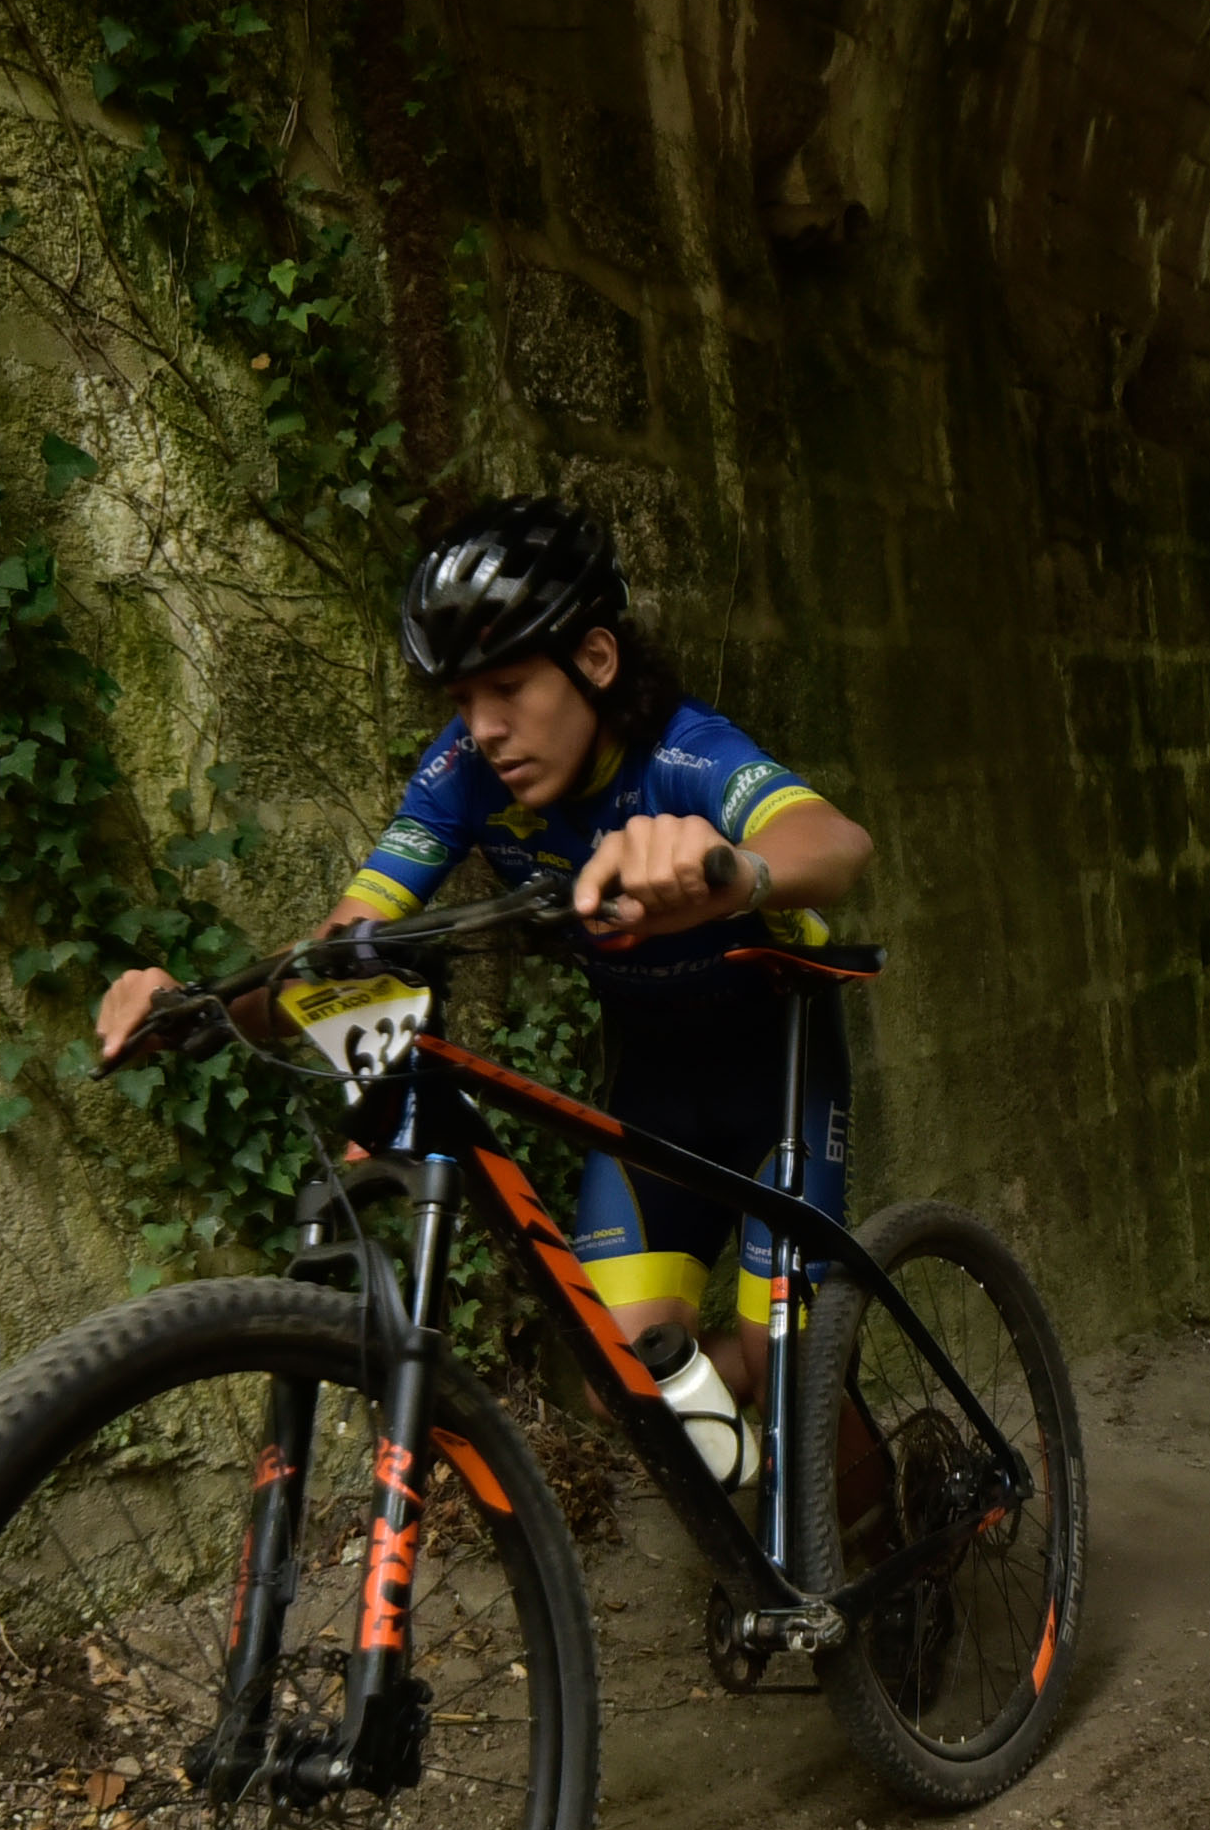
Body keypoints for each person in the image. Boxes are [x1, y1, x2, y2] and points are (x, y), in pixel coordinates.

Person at [93, 499, 872, 1416]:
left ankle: (838, 1466)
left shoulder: (684, 753)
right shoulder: (461, 773)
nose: (484, 728)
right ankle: (757, 1449)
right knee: (619, 1389)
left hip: (780, 1066)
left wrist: (734, 874)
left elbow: (836, 843)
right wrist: (200, 1007)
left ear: (595, 659)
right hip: (658, 1082)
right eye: (462, 700)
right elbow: (340, 947)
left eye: (507, 687)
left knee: (791, 1378)